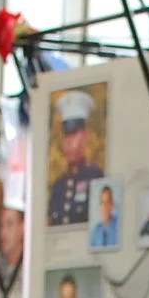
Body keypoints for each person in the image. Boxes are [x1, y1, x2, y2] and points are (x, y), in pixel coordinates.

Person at [46, 88, 105, 227]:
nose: (69, 143)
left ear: (84, 136)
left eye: (74, 135)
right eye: (66, 136)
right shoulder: (59, 186)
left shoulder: (95, 177)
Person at [89, 183, 120, 251]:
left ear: (112, 205)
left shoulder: (119, 227)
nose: (104, 207)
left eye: (107, 203)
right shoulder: (96, 230)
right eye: (102, 203)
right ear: (99, 206)